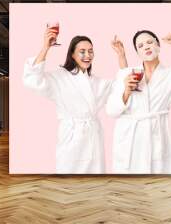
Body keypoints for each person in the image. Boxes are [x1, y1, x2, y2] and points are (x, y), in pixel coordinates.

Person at [106, 30, 171, 174]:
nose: (146, 47)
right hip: (130, 139)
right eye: (141, 45)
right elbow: (111, 111)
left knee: (158, 183)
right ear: (138, 53)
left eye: (150, 42)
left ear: (158, 45)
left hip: (156, 136)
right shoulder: (128, 74)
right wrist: (126, 91)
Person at [23, 25, 127, 174]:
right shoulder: (60, 77)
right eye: (82, 51)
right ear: (72, 54)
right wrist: (46, 47)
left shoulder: (97, 82)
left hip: (93, 138)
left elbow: (123, 85)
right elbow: (33, 79)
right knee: (69, 177)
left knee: (95, 180)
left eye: (91, 51)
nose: (87, 55)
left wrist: (121, 56)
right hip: (71, 137)